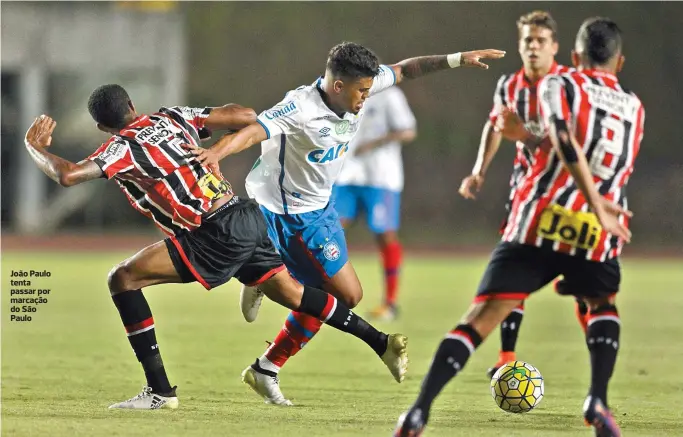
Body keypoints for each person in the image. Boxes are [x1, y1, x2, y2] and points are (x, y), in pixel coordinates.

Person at [22, 84, 410, 409]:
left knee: (122, 279)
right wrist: (218, 143)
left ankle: (159, 392)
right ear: (132, 106)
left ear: (102, 126)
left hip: (211, 234)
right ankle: (381, 342)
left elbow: (68, 175)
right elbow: (244, 115)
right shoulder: (171, 117)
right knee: (294, 295)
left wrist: (34, 146)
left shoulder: (119, 148)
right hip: (246, 214)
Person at [188, 42, 505, 405]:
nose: (366, 99)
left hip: (320, 206)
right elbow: (255, 129)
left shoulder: (357, 89)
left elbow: (406, 68)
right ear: (338, 86)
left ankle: (267, 296)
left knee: (333, 295)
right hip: (290, 215)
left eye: (370, 90)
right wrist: (216, 152)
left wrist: (457, 60)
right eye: (361, 91)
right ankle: (266, 296)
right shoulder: (300, 107)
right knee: (347, 296)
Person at [395, 17, 643, 437]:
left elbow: (563, 143)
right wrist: (601, 205)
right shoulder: (635, 106)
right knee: (602, 305)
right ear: (619, 62)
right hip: (598, 227)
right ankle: (597, 399)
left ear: (573, 56)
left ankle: (418, 411)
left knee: (480, 318)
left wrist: (525, 136)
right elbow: (610, 161)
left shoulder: (559, 86)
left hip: (541, 214)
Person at [458, 10, 586, 379]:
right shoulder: (508, 85)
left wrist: (526, 137)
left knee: (582, 281)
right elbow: (496, 125)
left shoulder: (570, 85)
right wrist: (479, 171)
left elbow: (574, 145)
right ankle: (505, 356)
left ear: (554, 47)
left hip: (571, 195)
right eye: (527, 40)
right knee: (512, 274)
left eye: (540, 40)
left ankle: (596, 356)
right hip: (526, 195)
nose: (533, 46)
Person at [332, 85, 417, 321]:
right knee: (330, 231)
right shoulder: (341, 94)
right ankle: (324, 296)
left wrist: (376, 142)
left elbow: (408, 131)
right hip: (346, 175)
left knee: (385, 235)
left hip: (381, 178)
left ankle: (390, 304)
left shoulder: (390, 95)